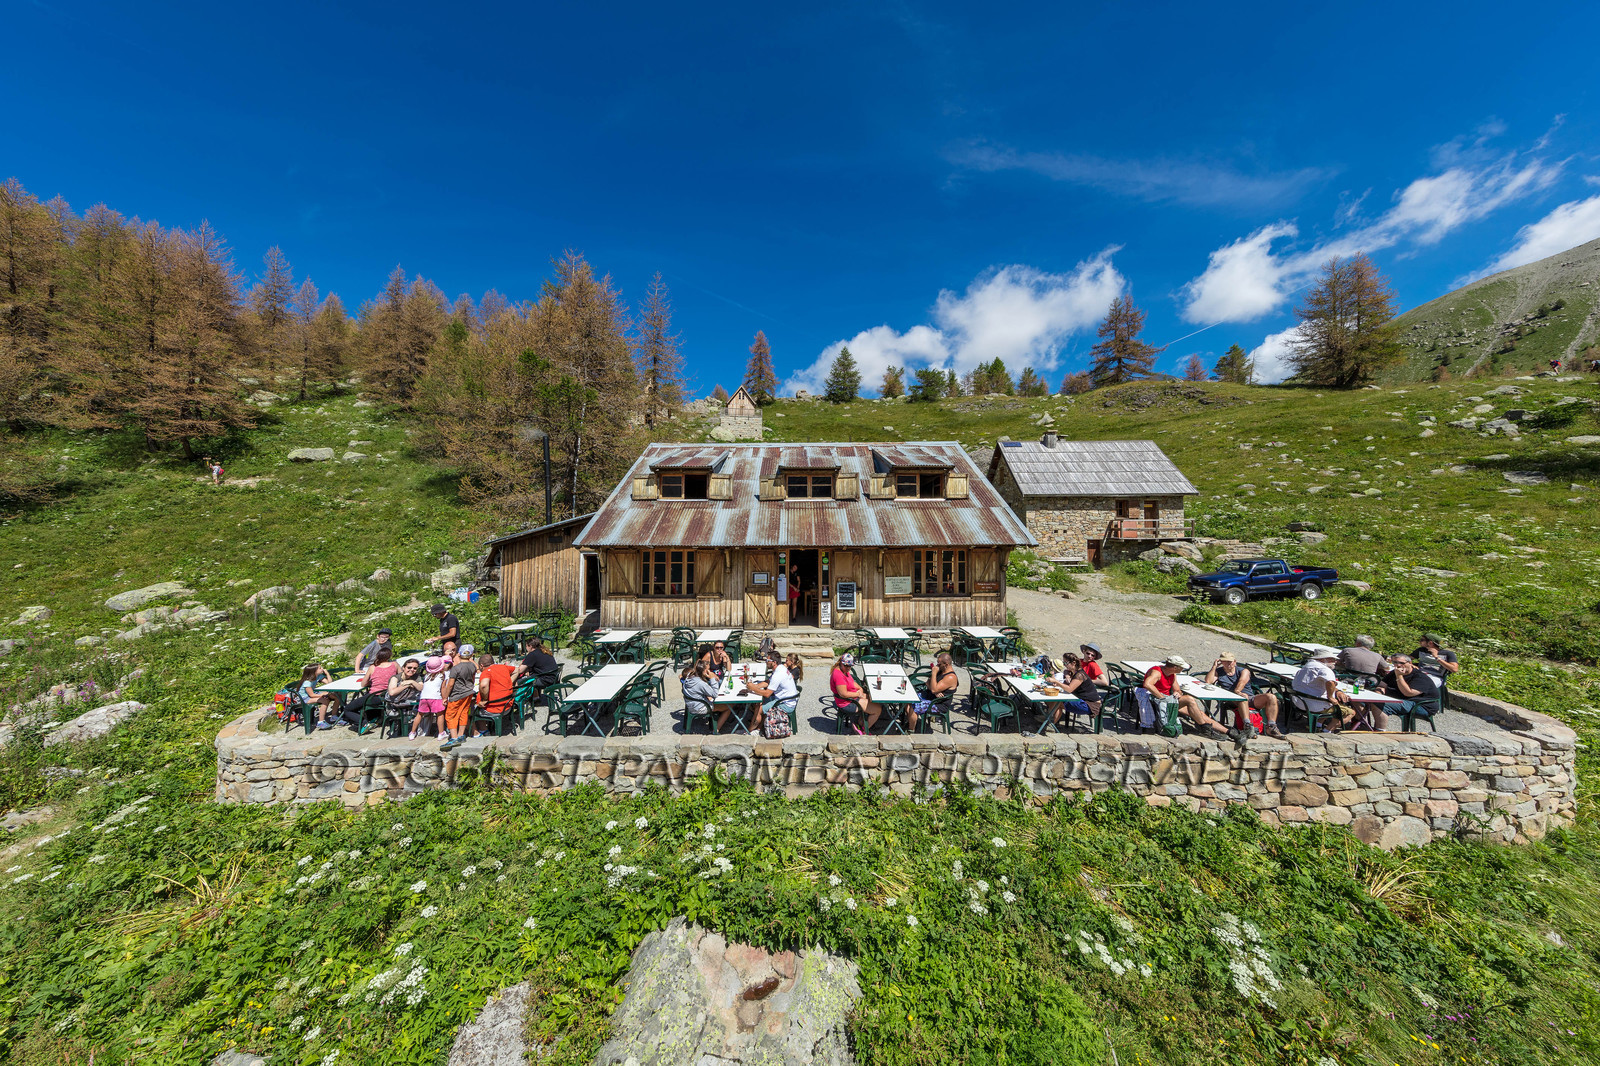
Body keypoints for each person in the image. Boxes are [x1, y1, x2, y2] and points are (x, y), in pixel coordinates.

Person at [1141, 656, 1229, 739]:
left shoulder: (1172, 674)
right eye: (1181, 667)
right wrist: (1162, 698)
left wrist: (1177, 692)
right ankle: (1204, 728)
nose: (1183, 669)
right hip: (1157, 701)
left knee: (1198, 713)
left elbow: (1177, 689)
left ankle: (1228, 731)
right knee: (1189, 699)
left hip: (1168, 700)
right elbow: (1147, 684)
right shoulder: (1157, 672)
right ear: (1175, 667)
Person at [1204, 652, 1282, 739]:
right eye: (1225, 661)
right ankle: (1247, 726)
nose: (1228, 664)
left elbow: (1242, 681)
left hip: (1249, 697)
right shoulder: (1219, 672)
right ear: (1221, 662)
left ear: (1234, 662)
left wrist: (1237, 691)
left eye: (1230, 661)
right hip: (1231, 698)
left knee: (1271, 697)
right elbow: (1208, 681)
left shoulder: (1243, 670)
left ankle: (1271, 727)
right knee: (1242, 698)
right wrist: (1214, 667)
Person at [1291, 647, 1349, 731]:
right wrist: (1331, 697)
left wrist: (1337, 691)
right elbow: (1330, 683)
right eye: (1331, 659)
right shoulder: (1324, 669)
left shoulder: (1306, 667)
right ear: (1322, 659)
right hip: (1314, 705)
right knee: (1348, 712)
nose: (1335, 662)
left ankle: (1317, 725)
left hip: (1299, 702)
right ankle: (1327, 731)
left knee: (1331, 703)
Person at [343, 646, 400, 729]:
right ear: (389, 656)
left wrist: (373, 681)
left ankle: (364, 723)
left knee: (347, 709)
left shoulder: (373, 667)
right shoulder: (395, 665)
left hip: (375, 696)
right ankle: (375, 718)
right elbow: (401, 677)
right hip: (389, 694)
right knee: (365, 699)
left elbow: (363, 684)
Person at [747, 650, 801, 737]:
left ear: (774, 662)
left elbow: (767, 694)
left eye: (767, 661)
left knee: (759, 708)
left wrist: (752, 688)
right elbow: (768, 681)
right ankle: (758, 729)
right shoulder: (781, 668)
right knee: (759, 703)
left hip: (786, 703)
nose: (766, 662)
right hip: (786, 698)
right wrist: (755, 686)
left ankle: (748, 732)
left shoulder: (778, 674)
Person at [1381, 654, 1438, 729]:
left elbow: (1408, 693)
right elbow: (1381, 685)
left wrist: (1399, 676)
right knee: (1366, 701)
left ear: (1410, 663)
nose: (1398, 665)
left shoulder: (1420, 677)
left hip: (1421, 705)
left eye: (1401, 663)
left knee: (1382, 704)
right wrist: (1379, 692)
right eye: (1395, 662)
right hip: (1404, 700)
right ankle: (1363, 725)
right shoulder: (1393, 673)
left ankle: (1379, 730)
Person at [1050, 652, 1102, 733]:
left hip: (1090, 705)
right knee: (1055, 700)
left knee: (1058, 702)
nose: (1064, 665)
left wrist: (1057, 682)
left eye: (1066, 663)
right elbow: (1066, 673)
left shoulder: (1079, 675)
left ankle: (1051, 724)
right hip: (1084, 701)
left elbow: (1070, 689)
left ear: (1073, 663)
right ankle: (1049, 719)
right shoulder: (1074, 672)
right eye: (1063, 662)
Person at [830, 652, 879, 733]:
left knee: (872, 700)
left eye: (850, 666)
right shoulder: (838, 675)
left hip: (851, 698)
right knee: (877, 709)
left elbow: (851, 682)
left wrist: (859, 688)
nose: (848, 668)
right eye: (846, 665)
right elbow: (843, 694)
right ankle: (863, 730)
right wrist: (858, 694)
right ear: (841, 663)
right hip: (846, 703)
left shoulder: (844, 671)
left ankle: (860, 723)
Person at [440, 646, 478, 750]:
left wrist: (445, 697)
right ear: (471, 655)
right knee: (463, 713)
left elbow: (450, 685)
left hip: (457, 694)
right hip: (468, 693)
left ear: (459, 654)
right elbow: (473, 679)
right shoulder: (473, 666)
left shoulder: (455, 668)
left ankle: (454, 737)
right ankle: (461, 735)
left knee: (450, 715)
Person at [909, 650, 959, 732]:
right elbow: (928, 683)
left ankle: (911, 730)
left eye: (939, 663)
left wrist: (934, 674)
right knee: (910, 699)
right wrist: (935, 691)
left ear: (946, 664)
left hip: (938, 704)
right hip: (931, 697)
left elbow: (933, 688)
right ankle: (911, 722)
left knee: (913, 706)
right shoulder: (942, 670)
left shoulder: (950, 677)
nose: (937, 665)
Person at [475, 652, 516, 732]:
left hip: (494, 709)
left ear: (481, 666)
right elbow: (517, 670)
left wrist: (484, 700)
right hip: (508, 706)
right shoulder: (503, 667)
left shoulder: (486, 672)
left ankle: (483, 730)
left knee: (473, 709)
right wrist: (510, 682)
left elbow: (483, 685)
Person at [408, 656, 445, 738]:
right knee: (440, 714)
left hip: (424, 697)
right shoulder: (442, 676)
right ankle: (441, 733)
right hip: (435, 697)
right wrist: (444, 698)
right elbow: (442, 688)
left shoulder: (426, 676)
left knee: (419, 714)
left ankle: (412, 732)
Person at [681, 659, 722, 732]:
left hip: (691, 706)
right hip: (700, 708)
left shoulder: (688, 678)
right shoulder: (701, 683)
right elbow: (715, 694)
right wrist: (712, 679)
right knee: (729, 707)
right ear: (704, 671)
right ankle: (716, 730)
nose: (709, 671)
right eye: (708, 670)